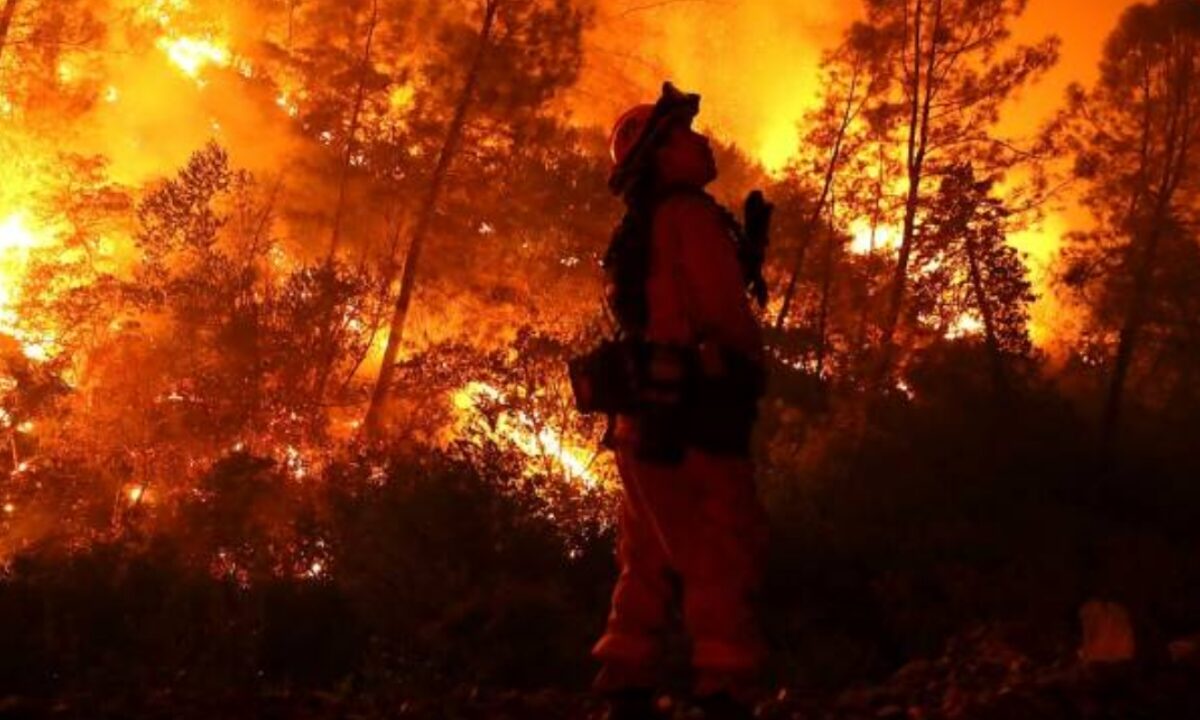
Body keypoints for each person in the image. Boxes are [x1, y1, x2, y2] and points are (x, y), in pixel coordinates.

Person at [589, 83, 770, 720]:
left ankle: (626, 678)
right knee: (720, 543)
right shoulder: (689, 216)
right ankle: (724, 684)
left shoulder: (638, 227)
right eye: (685, 134)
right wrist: (749, 364)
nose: (702, 141)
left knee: (646, 552)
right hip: (695, 414)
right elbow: (721, 311)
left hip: (643, 416)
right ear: (661, 155)